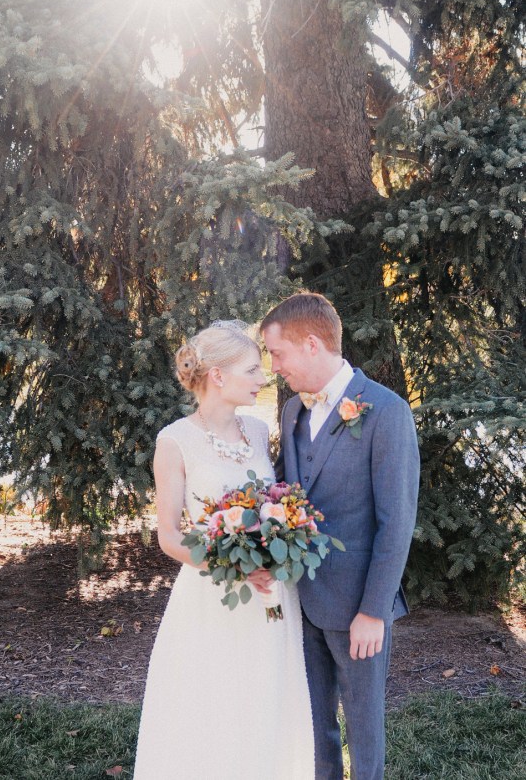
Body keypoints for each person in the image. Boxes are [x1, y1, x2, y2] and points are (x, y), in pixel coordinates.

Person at [133, 321, 315, 780]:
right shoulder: (174, 441)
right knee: (213, 704)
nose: (262, 378)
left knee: (266, 700)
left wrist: (276, 549)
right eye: (251, 370)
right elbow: (169, 535)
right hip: (212, 596)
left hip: (270, 596)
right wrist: (235, 567)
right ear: (217, 375)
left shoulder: (257, 429)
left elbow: (272, 504)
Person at [260, 293, 420, 780]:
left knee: (364, 732)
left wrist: (373, 610)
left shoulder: (387, 412)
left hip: (358, 608)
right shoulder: (292, 411)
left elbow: (396, 522)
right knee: (315, 728)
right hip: (300, 601)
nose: (274, 367)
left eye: (278, 353)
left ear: (311, 344)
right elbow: (285, 492)